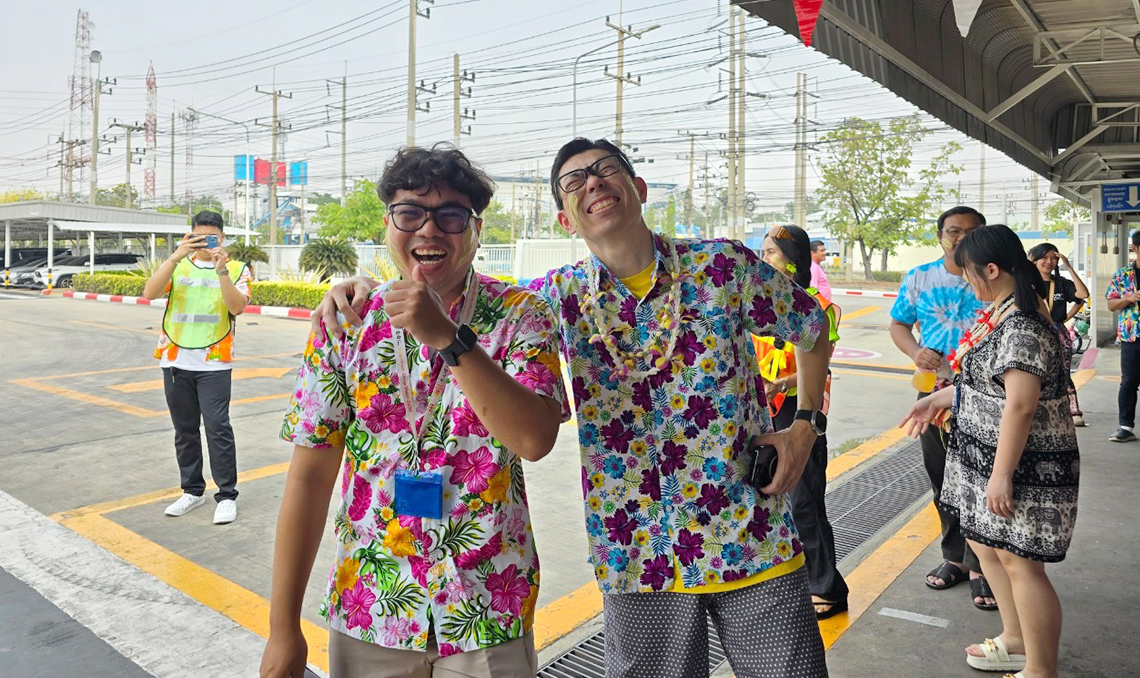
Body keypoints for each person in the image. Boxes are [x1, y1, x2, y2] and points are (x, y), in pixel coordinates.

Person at [315, 138, 832, 678]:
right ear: (566, 219)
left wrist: (805, 424)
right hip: (638, 554)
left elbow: (813, 325)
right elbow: (468, 297)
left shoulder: (722, 267)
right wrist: (364, 290)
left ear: (638, 189)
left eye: (606, 169)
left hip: (749, 535)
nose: (593, 182)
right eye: (574, 181)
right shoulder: (556, 297)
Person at [259, 145, 568, 678]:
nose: (428, 230)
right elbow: (309, 478)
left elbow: (534, 439)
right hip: (372, 606)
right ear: (388, 225)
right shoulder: (347, 322)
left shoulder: (521, 315)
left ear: (476, 229)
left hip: (487, 605)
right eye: (410, 213)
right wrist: (282, 628)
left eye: (450, 215)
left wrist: (449, 338)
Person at [902, 224, 1078, 678]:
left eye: (970, 273)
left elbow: (1020, 405)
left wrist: (1002, 475)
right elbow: (986, 385)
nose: (967, 281)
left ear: (993, 270)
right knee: (987, 546)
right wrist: (938, 399)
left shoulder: (1022, 325)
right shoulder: (1002, 312)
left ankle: (1040, 669)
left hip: (1021, 463)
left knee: (1022, 565)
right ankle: (1016, 640)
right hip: (984, 456)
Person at [889, 205, 995, 609]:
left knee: (983, 482)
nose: (961, 237)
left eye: (971, 231)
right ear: (940, 236)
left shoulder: (993, 277)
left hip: (986, 394)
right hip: (934, 392)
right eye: (953, 231)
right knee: (942, 478)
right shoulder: (920, 277)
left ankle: (982, 566)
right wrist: (916, 352)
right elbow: (899, 324)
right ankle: (955, 556)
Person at [756, 225, 848, 620]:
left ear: (792, 259)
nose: (763, 260)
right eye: (762, 252)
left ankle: (826, 586)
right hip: (763, 408)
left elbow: (819, 364)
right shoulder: (758, 304)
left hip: (800, 411)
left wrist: (780, 383)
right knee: (770, 499)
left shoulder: (817, 307)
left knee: (804, 500)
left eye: (771, 252)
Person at [142, 210, 251, 525]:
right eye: (198, 237)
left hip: (214, 363)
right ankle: (192, 490)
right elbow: (150, 293)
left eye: (212, 238)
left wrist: (221, 271)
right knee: (185, 430)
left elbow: (236, 307)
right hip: (175, 360)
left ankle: (226, 496)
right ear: (189, 236)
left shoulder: (237, 268)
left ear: (223, 237)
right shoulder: (178, 265)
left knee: (218, 428)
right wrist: (175, 256)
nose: (205, 243)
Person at [1028, 243, 1088, 427]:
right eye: (1044, 257)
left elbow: (1082, 295)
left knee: (1063, 371)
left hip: (1057, 332)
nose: (1049, 262)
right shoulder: (1026, 283)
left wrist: (1068, 267)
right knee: (1033, 372)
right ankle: (1037, 410)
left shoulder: (1061, 283)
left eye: (1053, 258)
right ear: (1034, 259)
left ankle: (1073, 410)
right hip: (1033, 331)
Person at [1105, 230, 1140, 443]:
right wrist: (1129, 298)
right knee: (1128, 382)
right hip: (1132, 337)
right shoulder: (1122, 275)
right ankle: (1125, 427)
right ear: (1135, 248)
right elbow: (1111, 304)